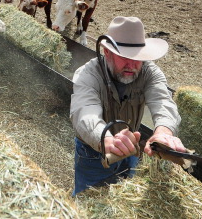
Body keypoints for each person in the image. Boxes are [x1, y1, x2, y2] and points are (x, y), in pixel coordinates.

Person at [69, 16, 186, 196]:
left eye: (137, 58)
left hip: (132, 149)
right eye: (124, 57)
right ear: (107, 52)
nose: (132, 65)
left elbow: (163, 101)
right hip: (94, 153)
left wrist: (163, 132)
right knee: (88, 201)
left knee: (123, 199)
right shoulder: (88, 74)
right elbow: (84, 111)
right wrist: (105, 139)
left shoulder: (149, 72)